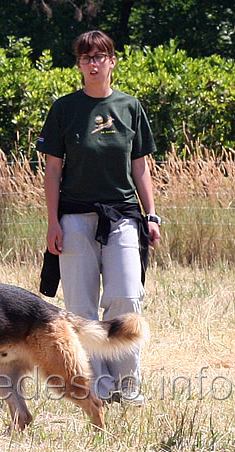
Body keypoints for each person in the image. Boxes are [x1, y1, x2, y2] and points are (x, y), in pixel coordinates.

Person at [36, 30, 161, 405]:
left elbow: (140, 169)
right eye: (86, 57)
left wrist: (151, 215)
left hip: (123, 215)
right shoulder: (64, 109)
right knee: (81, 307)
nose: (93, 63)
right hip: (74, 217)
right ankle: (98, 387)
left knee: (126, 296)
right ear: (79, 64)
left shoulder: (130, 107)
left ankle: (128, 385)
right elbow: (53, 171)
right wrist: (53, 222)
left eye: (100, 56)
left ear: (112, 61)